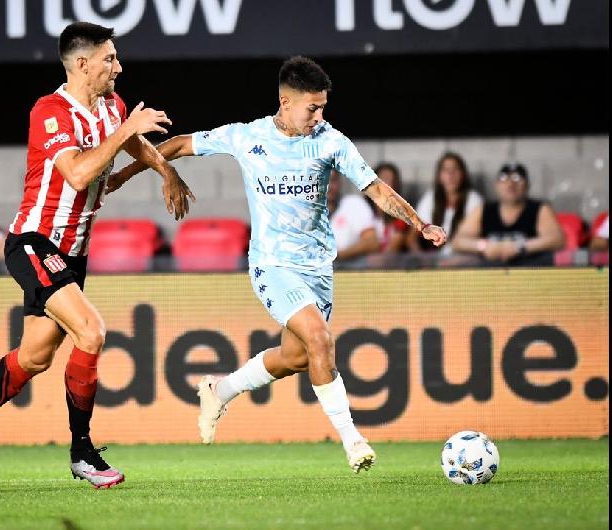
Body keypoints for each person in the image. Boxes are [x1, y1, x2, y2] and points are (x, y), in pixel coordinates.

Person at [109, 56, 447, 473]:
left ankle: (222, 388)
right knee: (320, 340)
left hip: (317, 269)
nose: (320, 116)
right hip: (271, 266)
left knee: (298, 357)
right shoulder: (247, 137)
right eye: (313, 107)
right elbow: (179, 144)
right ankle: (353, 441)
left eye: (323, 106)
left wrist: (420, 223)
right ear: (285, 102)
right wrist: (127, 176)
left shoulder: (331, 141)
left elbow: (375, 189)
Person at [0, 21, 195, 488]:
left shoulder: (111, 107)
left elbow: (131, 141)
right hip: (34, 242)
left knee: (33, 357)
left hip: (72, 253)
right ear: (81, 64)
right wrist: (125, 132)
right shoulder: (50, 111)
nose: (118, 66)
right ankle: (82, 453)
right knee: (91, 332)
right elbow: (76, 174)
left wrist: (163, 171)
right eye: (109, 59)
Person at [451, 162, 564, 265]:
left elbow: (557, 240)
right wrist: (484, 246)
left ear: (527, 185)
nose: (510, 184)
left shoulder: (539, 209)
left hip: (530, 276)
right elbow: (458, 241)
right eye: (504, 179)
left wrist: (520, 247)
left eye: (517, 179)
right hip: (490, 278)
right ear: (497, 185)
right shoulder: (484, 210)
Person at [406, 152, 483, 255]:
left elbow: (477, 238)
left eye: (455, 169)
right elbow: (412, 238)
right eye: (446, 170)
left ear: (463, 174)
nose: (450, 175)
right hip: (432, 261)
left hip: (464, 261)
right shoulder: (431, 197)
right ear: (439, 175)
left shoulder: (474, 200)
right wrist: (422, 260)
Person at [330, 163, 407, 264]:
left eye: (389, 180)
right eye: (380, 179)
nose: (384, 184)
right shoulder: (361, 209)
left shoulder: (400, 218)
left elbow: (385, 255)